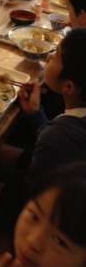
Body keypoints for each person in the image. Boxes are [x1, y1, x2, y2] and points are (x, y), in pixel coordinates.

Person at [18, 28, 86, 182]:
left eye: (56, 55)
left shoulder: (58, 136)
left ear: (68, 87)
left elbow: (35, 190)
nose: (49, 56)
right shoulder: (68, 127)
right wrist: (35, 114)